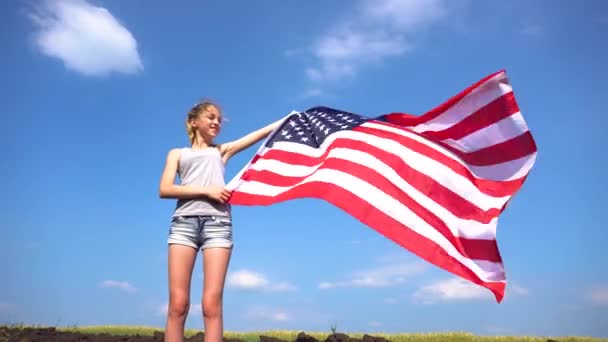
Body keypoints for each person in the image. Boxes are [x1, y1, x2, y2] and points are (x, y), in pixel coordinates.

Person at [158, 100, 283, 342]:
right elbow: (165, 189)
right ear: (194, 122)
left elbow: (258, 134)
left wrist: (287, 119)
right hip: (183, 224)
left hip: (218, 225)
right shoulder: (177, 153)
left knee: (211, 304)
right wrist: (208, 191)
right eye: (211, 117)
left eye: (219, 119)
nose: (217, 122)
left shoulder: (221, 151)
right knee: (178, 304)